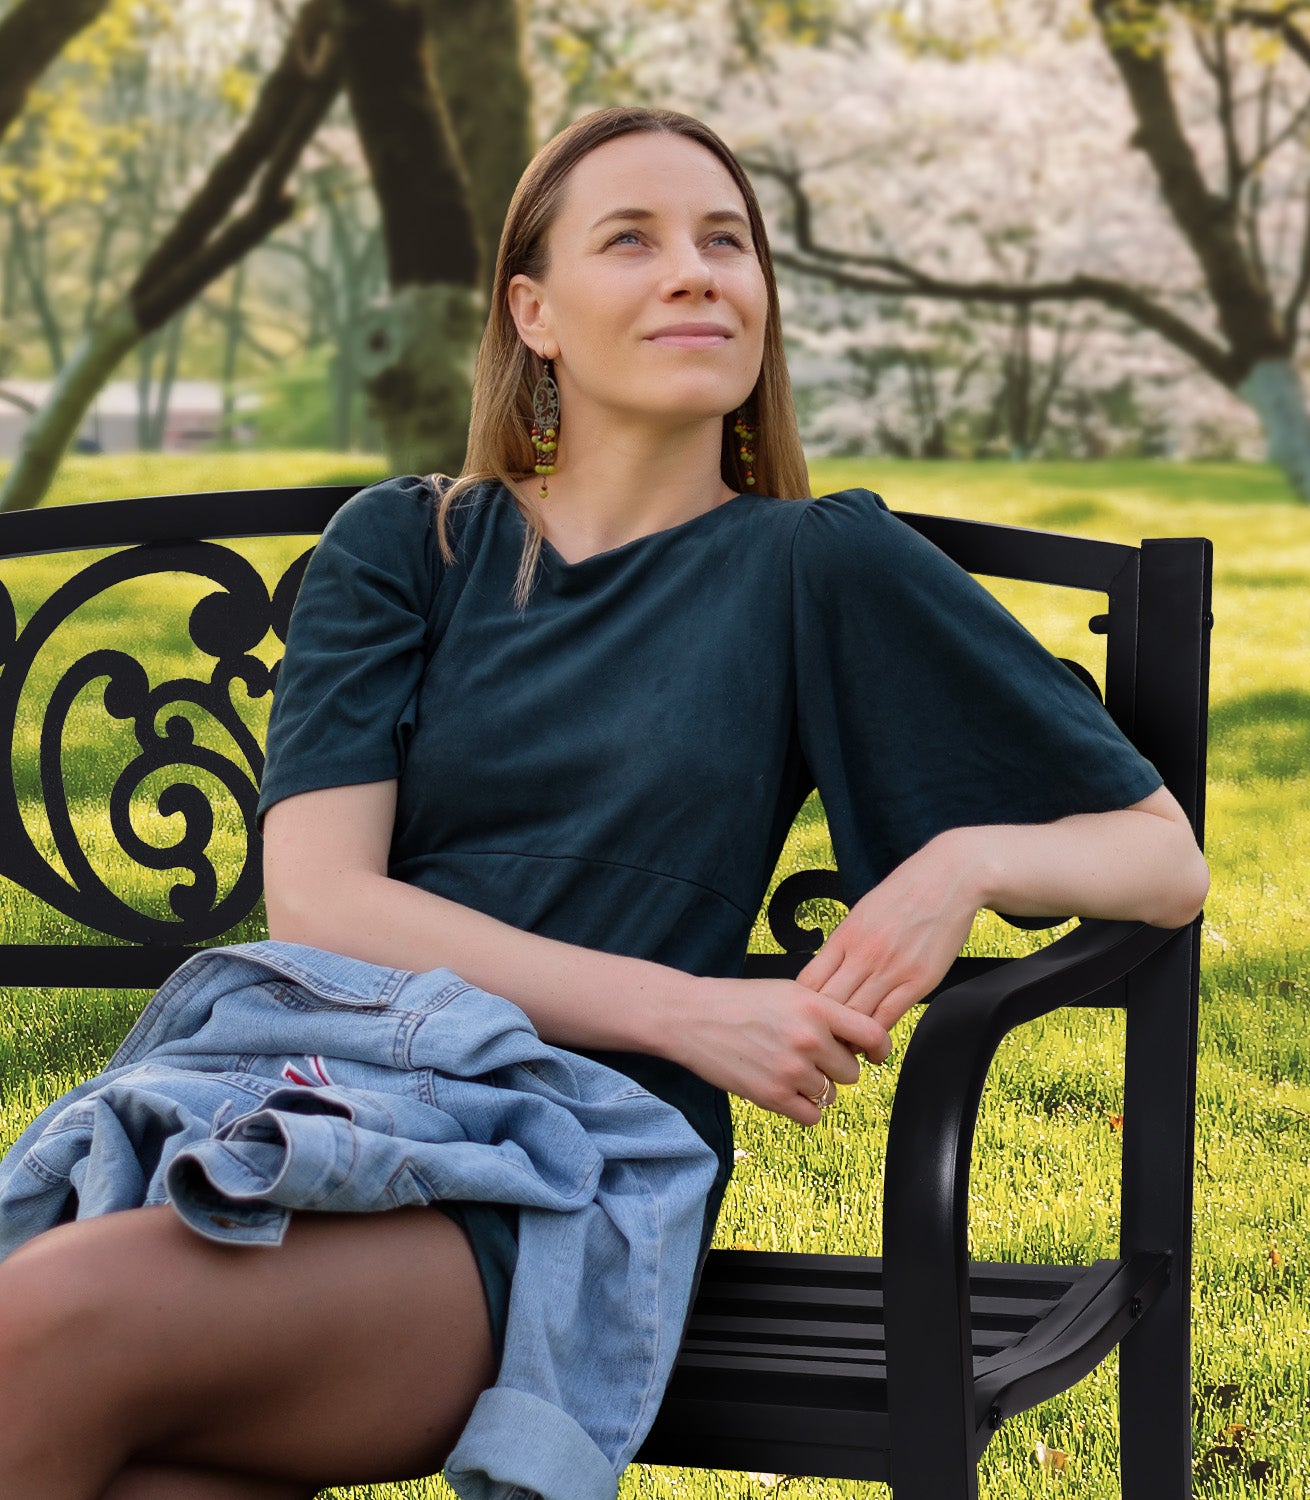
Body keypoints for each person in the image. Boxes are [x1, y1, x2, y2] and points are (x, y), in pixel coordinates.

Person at [0, 105, 1209, 1499]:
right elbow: (324, 904)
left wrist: (961, 867)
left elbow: (1161, 860)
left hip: (552, 1165)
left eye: (727, 243)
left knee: (37, 1329)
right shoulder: (407, 546)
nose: (696, 272)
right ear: (535, 314)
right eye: (631, 240)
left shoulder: (814, 565)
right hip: (303, 1100)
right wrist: (692, 1012)